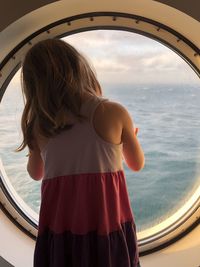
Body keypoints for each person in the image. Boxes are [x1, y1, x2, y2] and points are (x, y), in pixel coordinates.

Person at [18, 38, 145, 267]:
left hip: (60, 230)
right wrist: (129, 139)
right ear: (79, 69)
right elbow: (137, 164)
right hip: (106, 226)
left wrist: (35, 148)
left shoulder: (39, 125)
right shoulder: (112, 112)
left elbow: (36, 173)